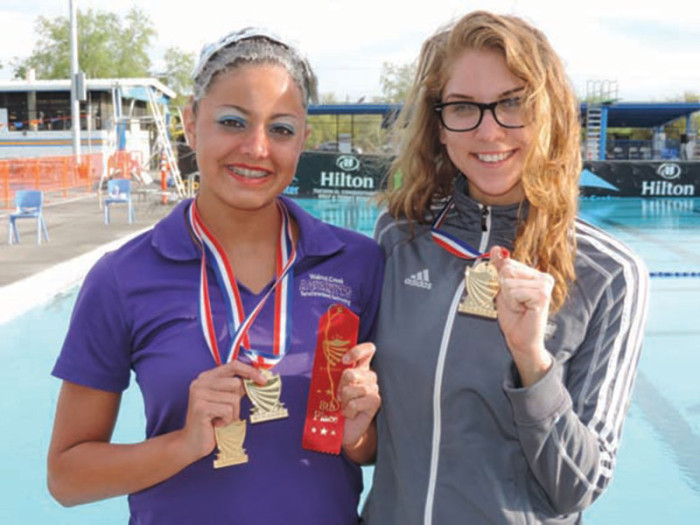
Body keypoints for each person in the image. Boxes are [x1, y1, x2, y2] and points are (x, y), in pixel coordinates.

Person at [47, 27, 383, 524]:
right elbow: (66, 478)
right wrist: (184, 444)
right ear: (190, 121)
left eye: (281, 129)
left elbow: (371, 451)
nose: (256, 148)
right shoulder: (122, 277)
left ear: (303, 140)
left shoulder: (357, 264)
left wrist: (358, 432)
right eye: (232, 121)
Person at [363, 11, 649, 524]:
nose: (489, 130)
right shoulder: (400, 237)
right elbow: (376, 439)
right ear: (439, 124)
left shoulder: (609, 274)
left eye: (513, 103)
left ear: (550, 116)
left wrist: (532, 361)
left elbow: (579, 486)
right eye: (464, 107)